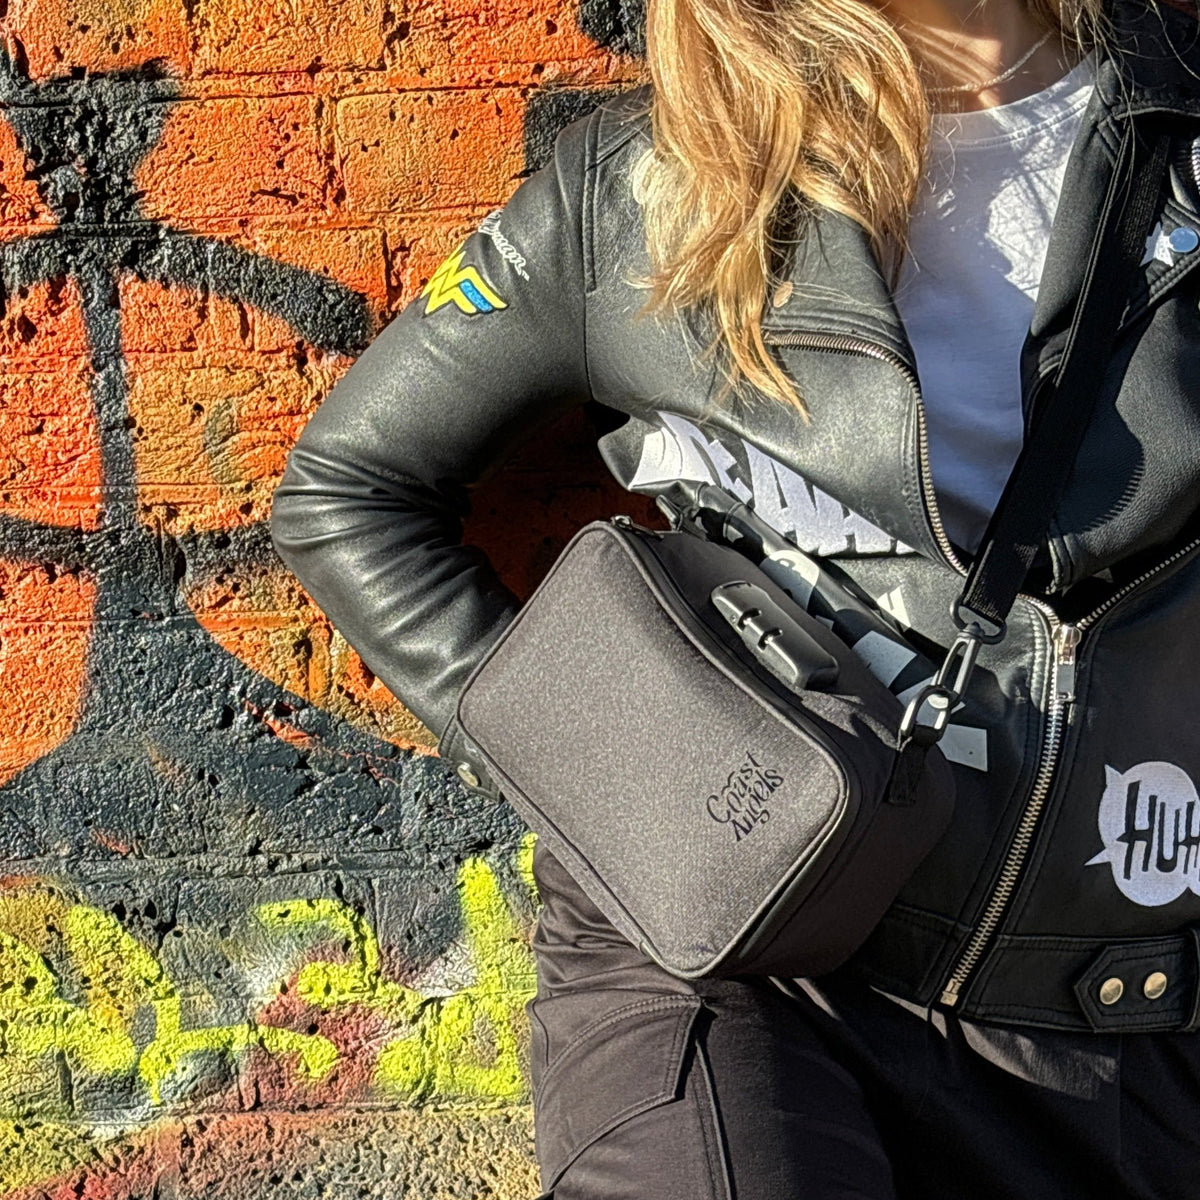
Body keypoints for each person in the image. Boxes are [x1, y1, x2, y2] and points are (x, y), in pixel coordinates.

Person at [269, 0, 1200, 1191]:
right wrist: (608, 779)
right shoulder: (637, 189)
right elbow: (348, 491)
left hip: (1111, 1011)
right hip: (733, 963)